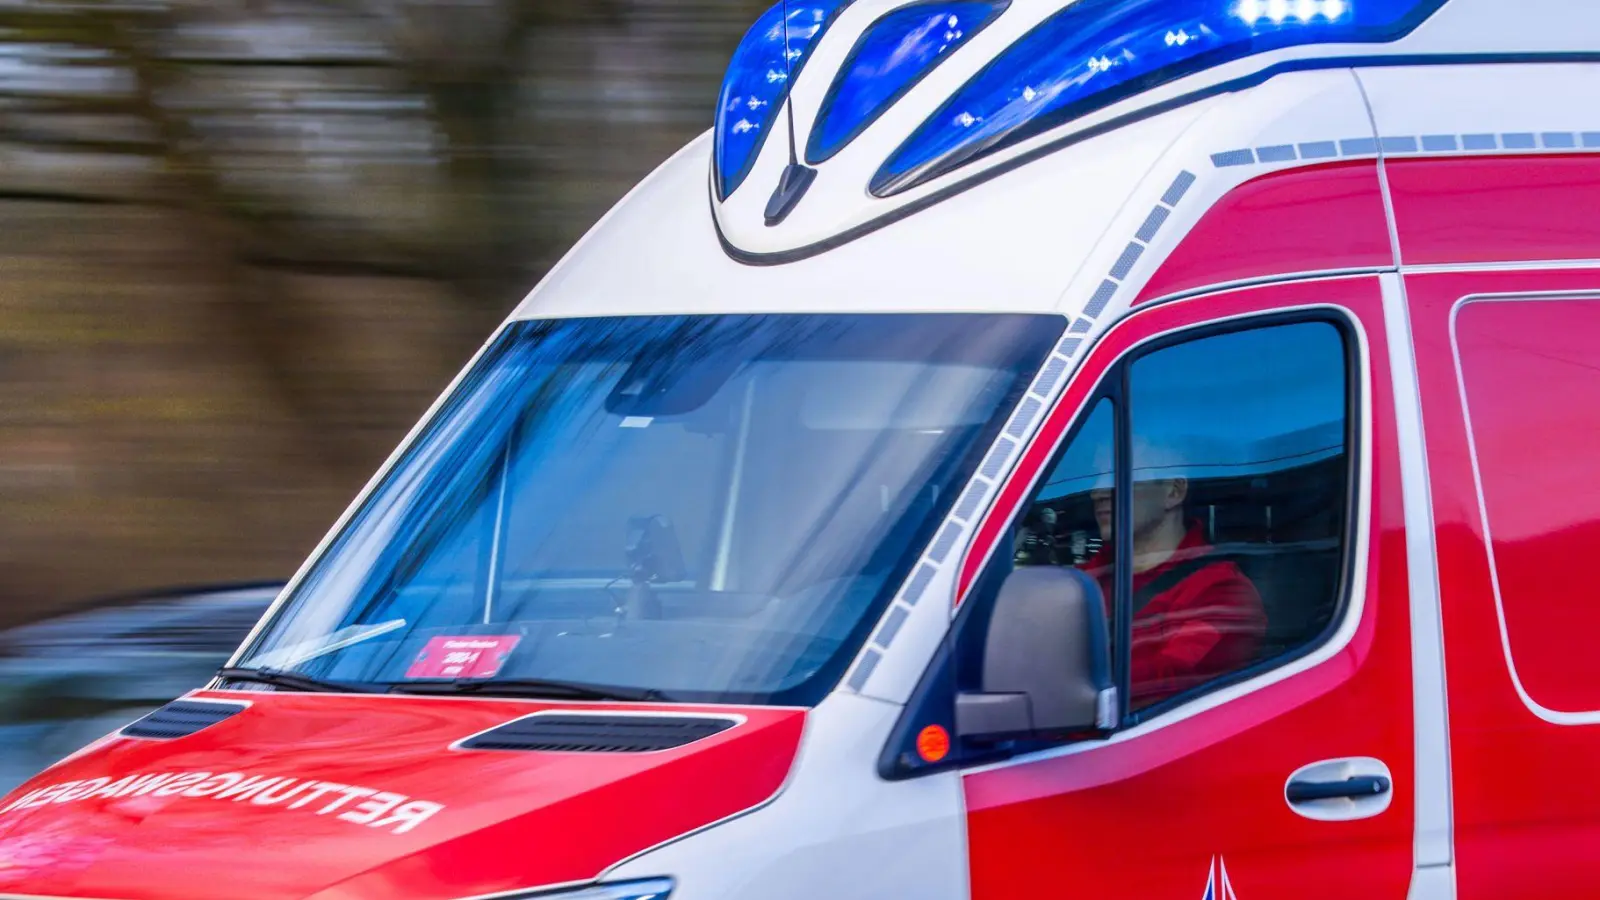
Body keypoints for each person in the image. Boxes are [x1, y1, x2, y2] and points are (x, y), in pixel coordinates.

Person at [1081, 460, 1267, 710]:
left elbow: (1164, 684)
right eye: (1096, 475)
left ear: (1174, 491)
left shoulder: (1222, 593)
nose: (1097, 491)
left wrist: (1061, 682)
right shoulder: (1079, 582)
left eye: (1118, 472)